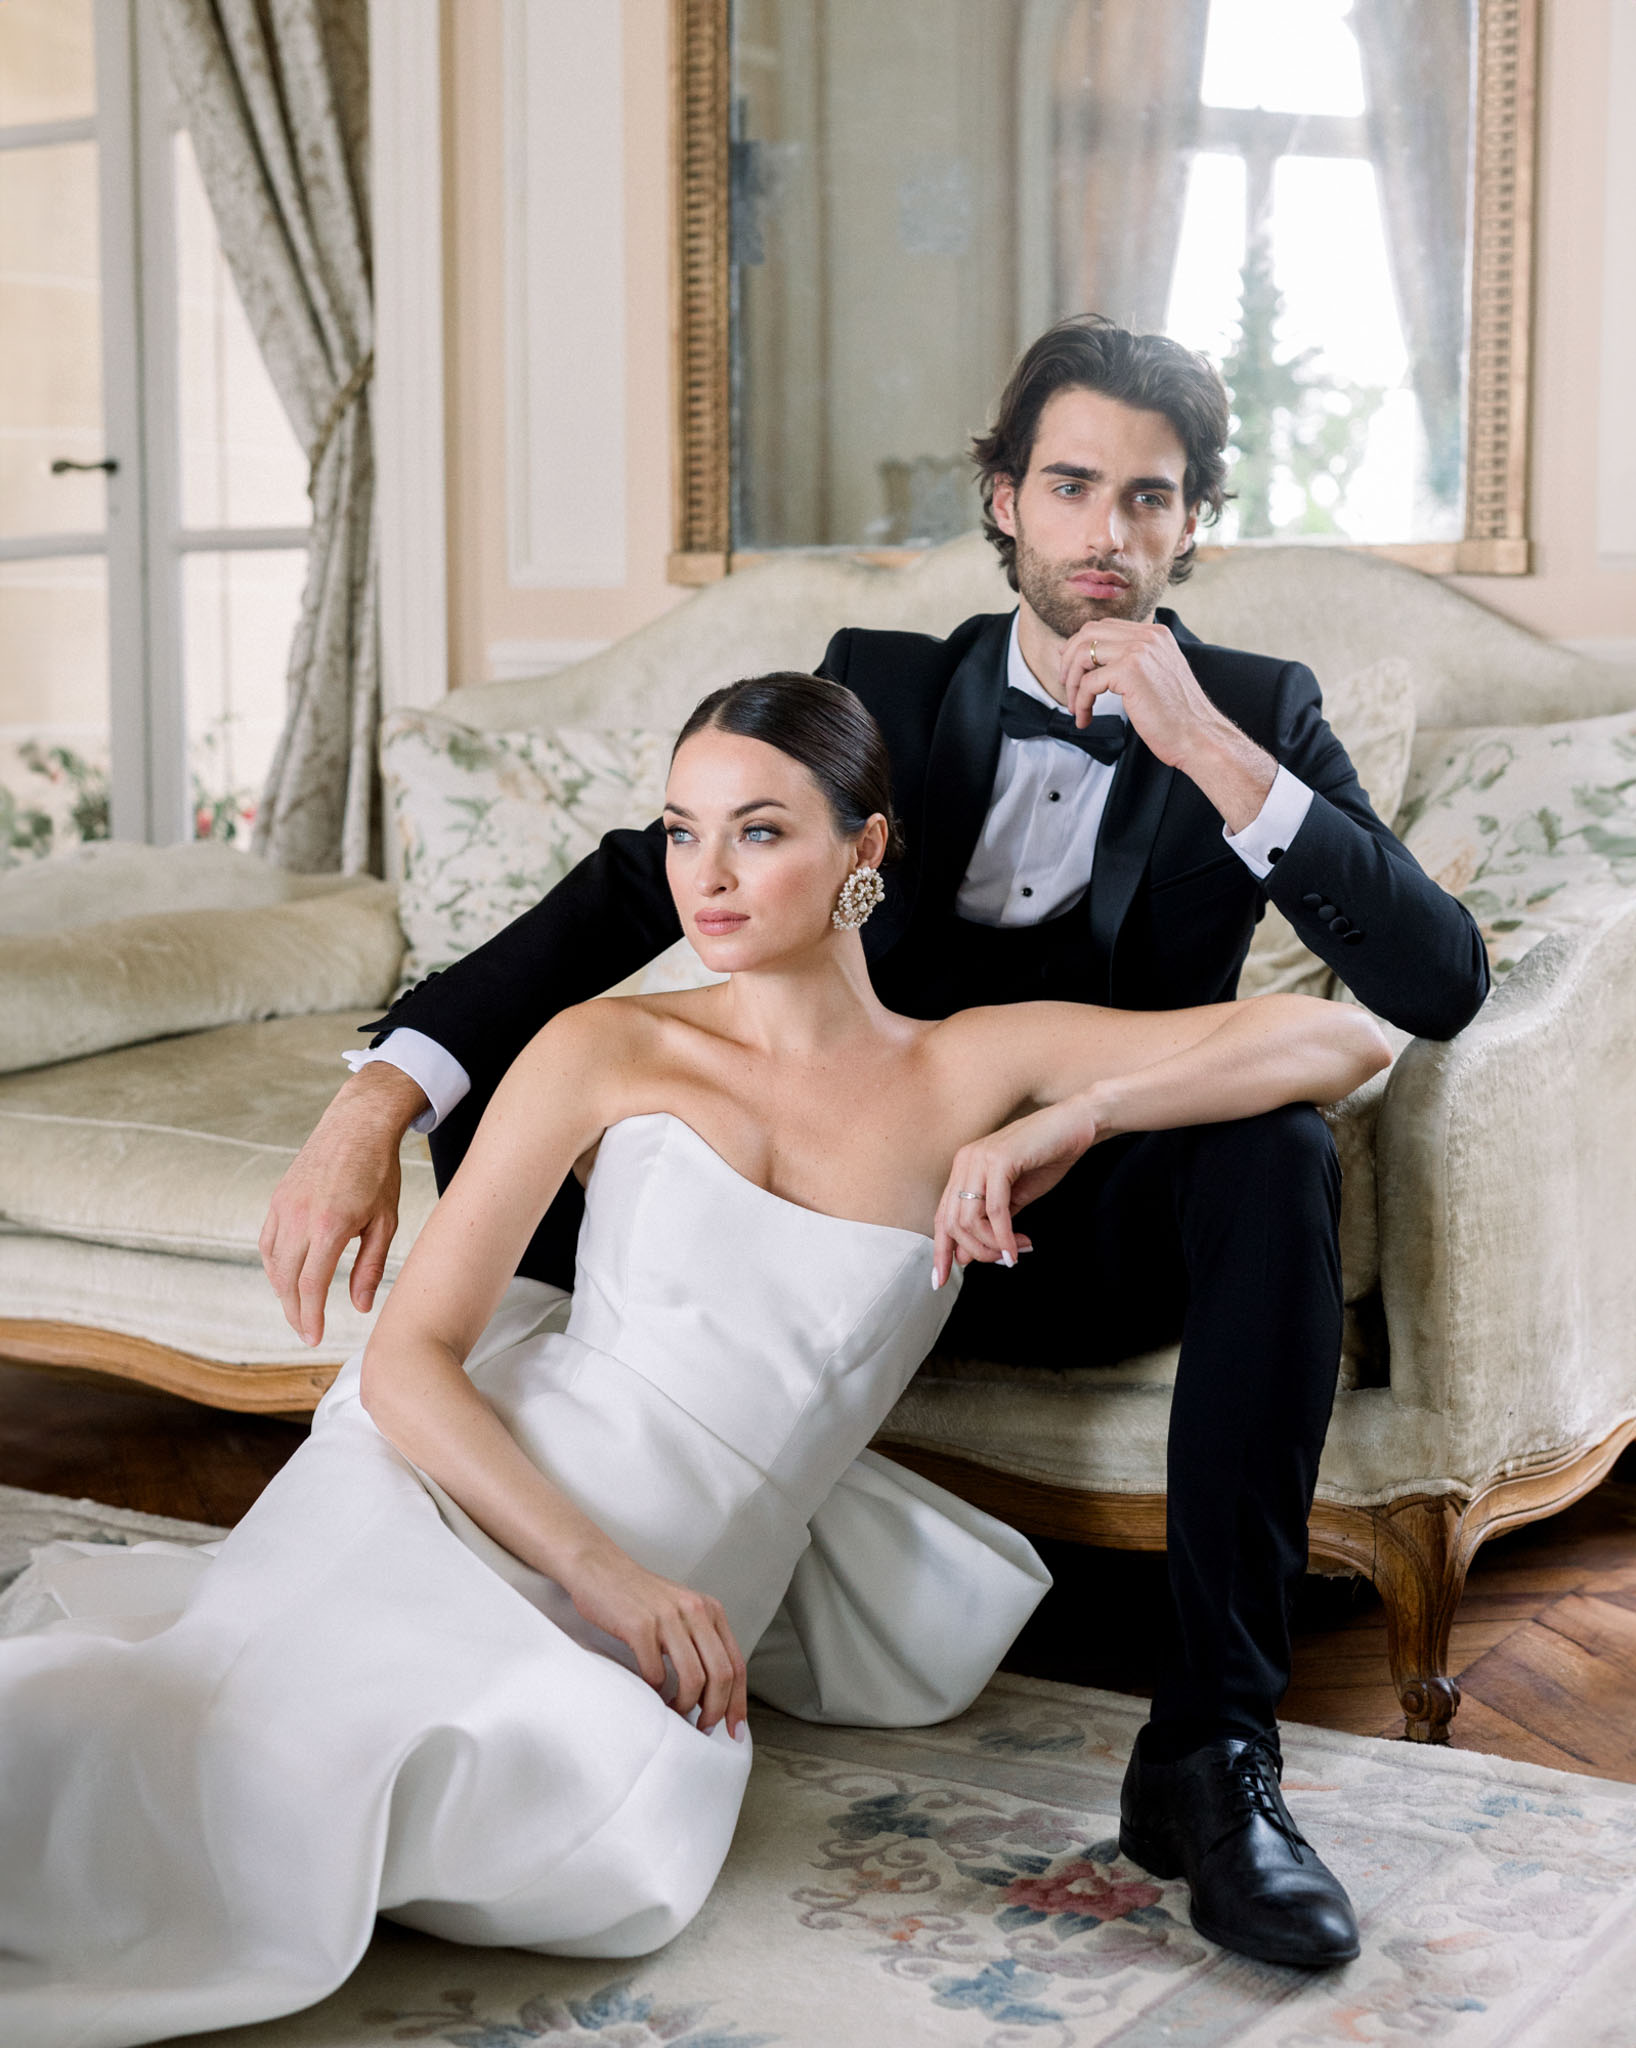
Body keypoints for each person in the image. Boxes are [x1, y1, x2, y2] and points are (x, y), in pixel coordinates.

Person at [262, 317, 1489, 1970]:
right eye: (1071, 486)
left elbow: (1431, 988)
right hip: (829, 1201)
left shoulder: (1258, 710)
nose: (1106, 533)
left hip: (1072, 1222)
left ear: (1193, 523)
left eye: (1148, 498)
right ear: (1004, 500)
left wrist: (1199, 762)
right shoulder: (889, 687)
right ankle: (568, 1461)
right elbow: (646, 880)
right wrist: (378, 1095)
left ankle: (1211, 1755)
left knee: (1274, 1153)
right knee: (551, 1079)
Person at [0, 678, 1387, 2043]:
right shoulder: (604, 1045)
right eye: (680, 832)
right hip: (462, 1489)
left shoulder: (969, 1067)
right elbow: (409, 1361)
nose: (704, 878)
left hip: (701, 1559)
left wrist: (1076, 1116)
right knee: (223, 1749)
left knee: (546, 1827)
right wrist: (608, 1576)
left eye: (758, 832)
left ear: (864, 848)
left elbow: (1342, 1033)